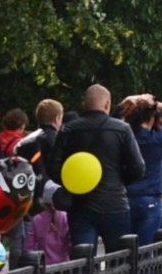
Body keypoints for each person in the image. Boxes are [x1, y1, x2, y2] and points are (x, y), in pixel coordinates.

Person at [50, 84, 145, 252]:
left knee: (83, 261)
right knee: (119, 262)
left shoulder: (68, 130)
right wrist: (120, 180)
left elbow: (54, 168)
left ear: (83, 104)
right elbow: (138, 168)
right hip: (115, 203)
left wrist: (74, 183)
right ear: (107, 104)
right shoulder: (122, 129)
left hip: (80, 205)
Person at [125, 94, 162, 245]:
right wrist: (155, 105)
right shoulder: (158, 139)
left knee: (123, 250)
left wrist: (131, 101)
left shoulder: (124, 137)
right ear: (151, 119)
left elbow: (112, 119)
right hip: (151, 198)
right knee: (145, 252)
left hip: (126, 198)